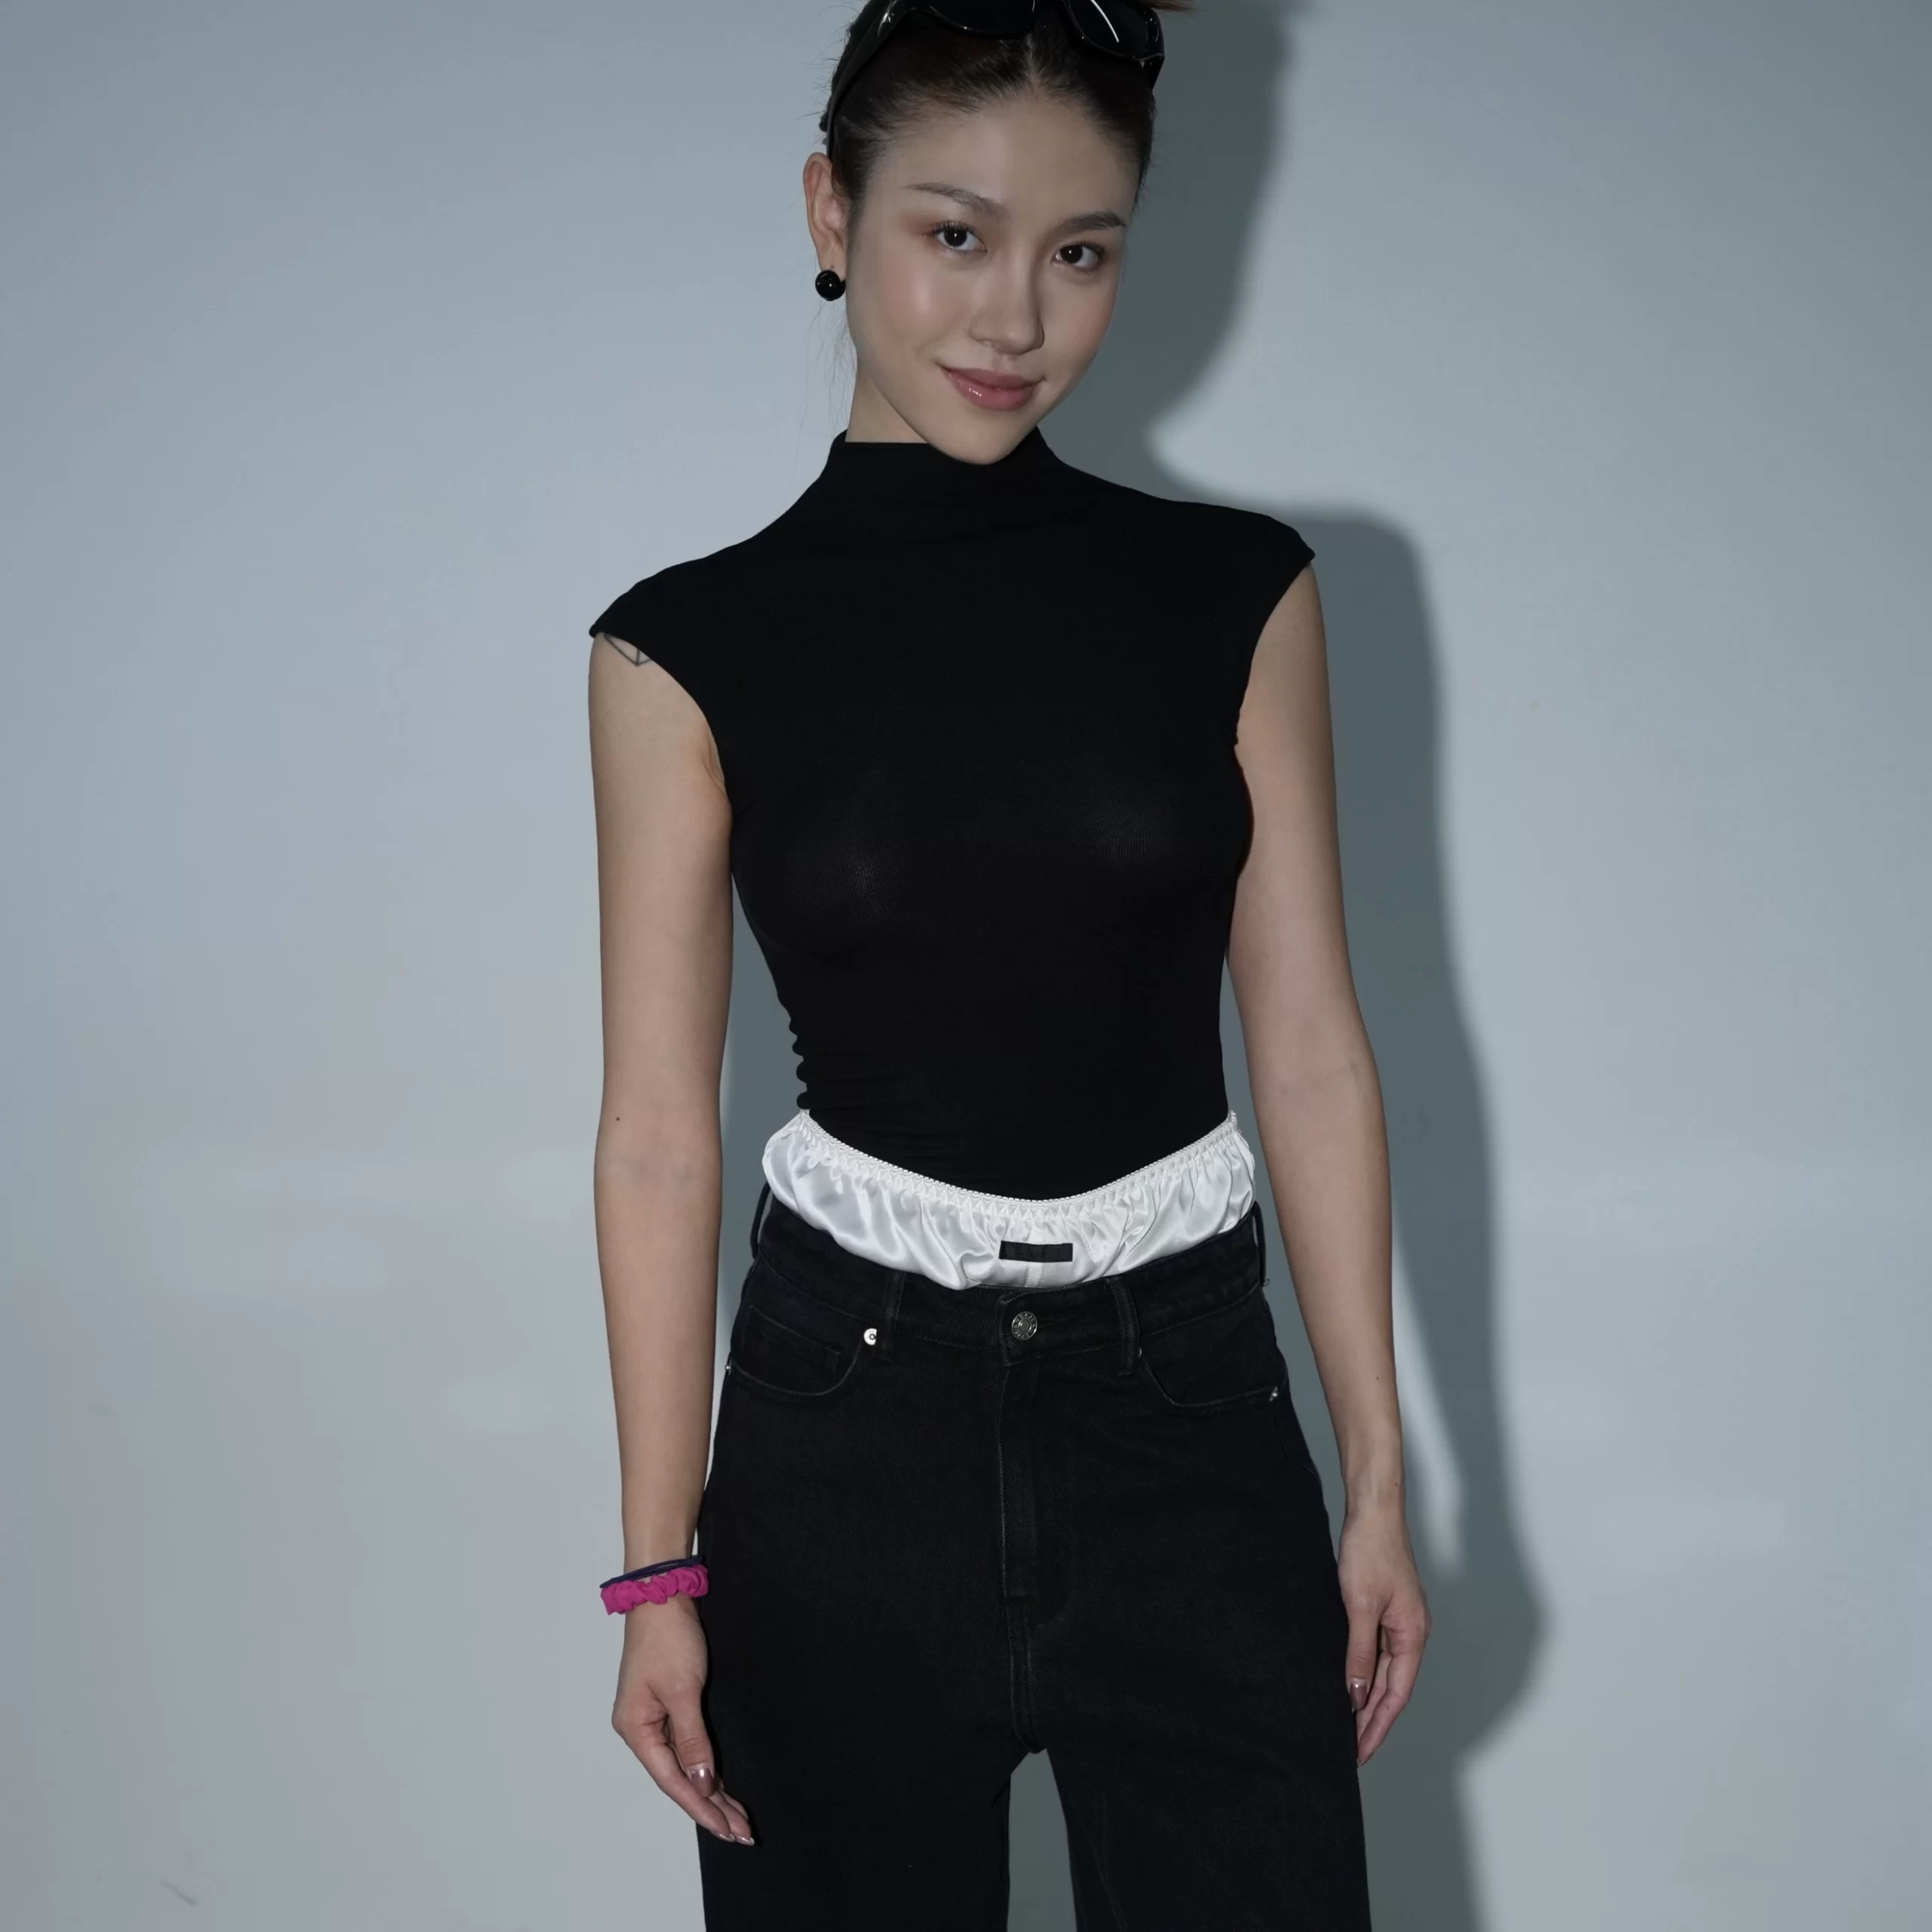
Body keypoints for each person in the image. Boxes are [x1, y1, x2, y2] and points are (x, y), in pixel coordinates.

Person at [584, 2, 1428, 1924]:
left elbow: (1308, 1046)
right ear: (831, 209)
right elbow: (653, 1137)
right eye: (952, 234)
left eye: (1081, 250)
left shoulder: (1237, 595)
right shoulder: (678, 649)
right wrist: (656, 1574)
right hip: (842, 1432)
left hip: (1188, 1405)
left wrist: (1373, 1475)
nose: (1014, 316)